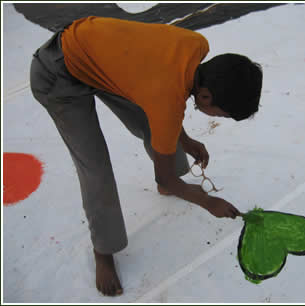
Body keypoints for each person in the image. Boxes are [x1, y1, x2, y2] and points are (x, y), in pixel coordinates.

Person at [30, 16, 263, 296]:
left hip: (105, 61)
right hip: (56, 75)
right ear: (204, 97)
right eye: (222, 114)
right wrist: (206, 200)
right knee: (96, 169)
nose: (220, 118)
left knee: (154, 127)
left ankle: (171, 186)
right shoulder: (165, 98)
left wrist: (185, 140)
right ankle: (103, 250)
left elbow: (167, 99)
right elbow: (166, 106)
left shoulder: (196, 46)